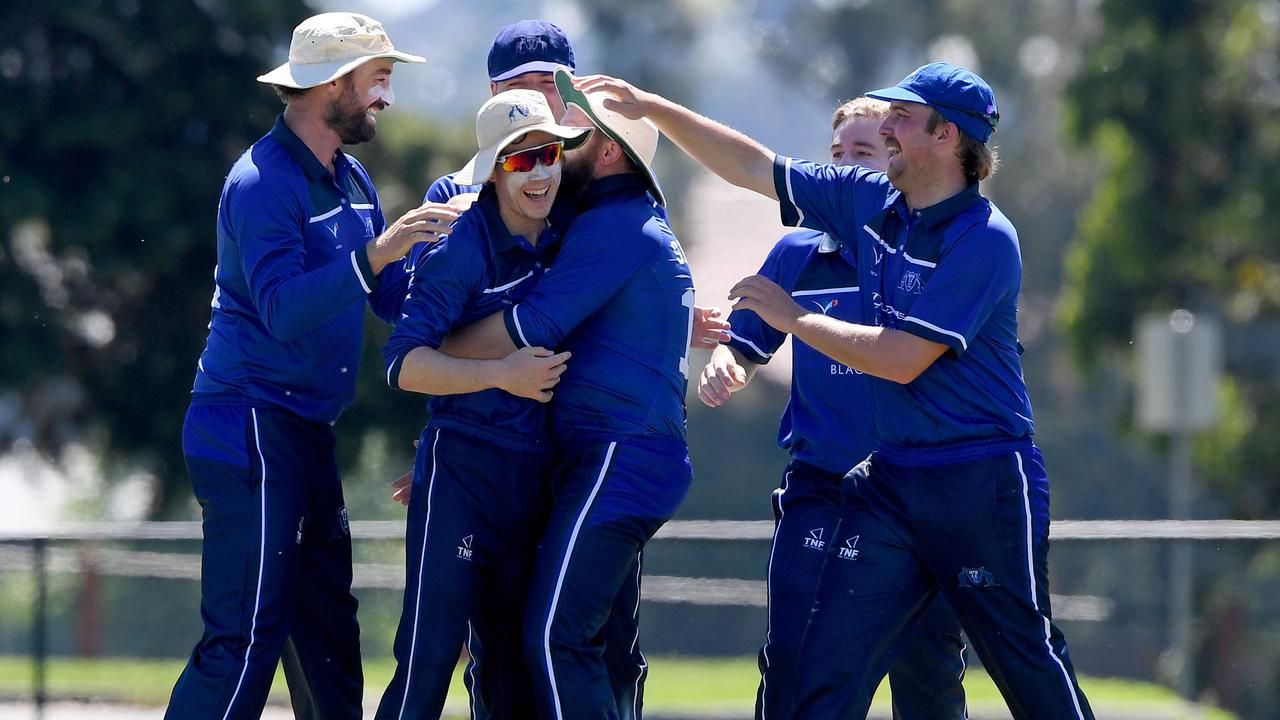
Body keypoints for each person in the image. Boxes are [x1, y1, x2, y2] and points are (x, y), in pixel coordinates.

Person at [578, 62, 1095, 719]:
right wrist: (650, 105)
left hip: (982, 482)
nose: (886, 127)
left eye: (902, 118)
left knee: (1024, 661)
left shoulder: (986, 240)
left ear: (945, 137)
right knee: (818, 679)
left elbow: (904, 359)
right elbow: (751, 166)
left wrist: (795, 319)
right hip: (892, 482)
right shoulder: (868, 203)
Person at [165, 12, 456, 720]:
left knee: (328, 642)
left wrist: (469, 290)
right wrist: (376, 255)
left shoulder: (351, 175)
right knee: (243, 642)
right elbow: (281, 310)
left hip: (303, 432)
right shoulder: (260, 181)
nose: (385, 97)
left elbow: (388, 294)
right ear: (332, 84)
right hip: (249, 425)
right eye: (377, 79)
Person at [699, 96, 967, 720]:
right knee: (794, 659)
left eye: (864, 154)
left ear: (898, 162)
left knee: (926, 675)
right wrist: (726, 365)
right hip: (822, 488)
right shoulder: (796, 254)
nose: (843, 169)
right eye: (837, 155)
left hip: (915, 493)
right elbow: (745, 345)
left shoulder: (927, 254)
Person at [441, 67, 694, 720]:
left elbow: (529, 326)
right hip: (613, 456)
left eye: (570, 132)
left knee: (556, 637)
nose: (553, 144)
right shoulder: (618, 220)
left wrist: (432, 354)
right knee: (568, 637)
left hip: (620, 455)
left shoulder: (616, 227)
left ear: (608, 150)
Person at [375, 90, 588, 720]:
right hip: (463, 467)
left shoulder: (567, 239)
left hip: (535, 476)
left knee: (511, 672)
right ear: (494, 169)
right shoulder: (461, 247)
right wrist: (503, 373)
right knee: (430, 654)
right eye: (521, 162)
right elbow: (402, 363)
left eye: (548, 155)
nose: (541, 173)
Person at [423, 19, 577, 205]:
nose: (534, 95)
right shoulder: (451, 193)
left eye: (548, 82)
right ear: (494, 91)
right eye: (517, 84)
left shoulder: (590, 184)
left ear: (570, 88)